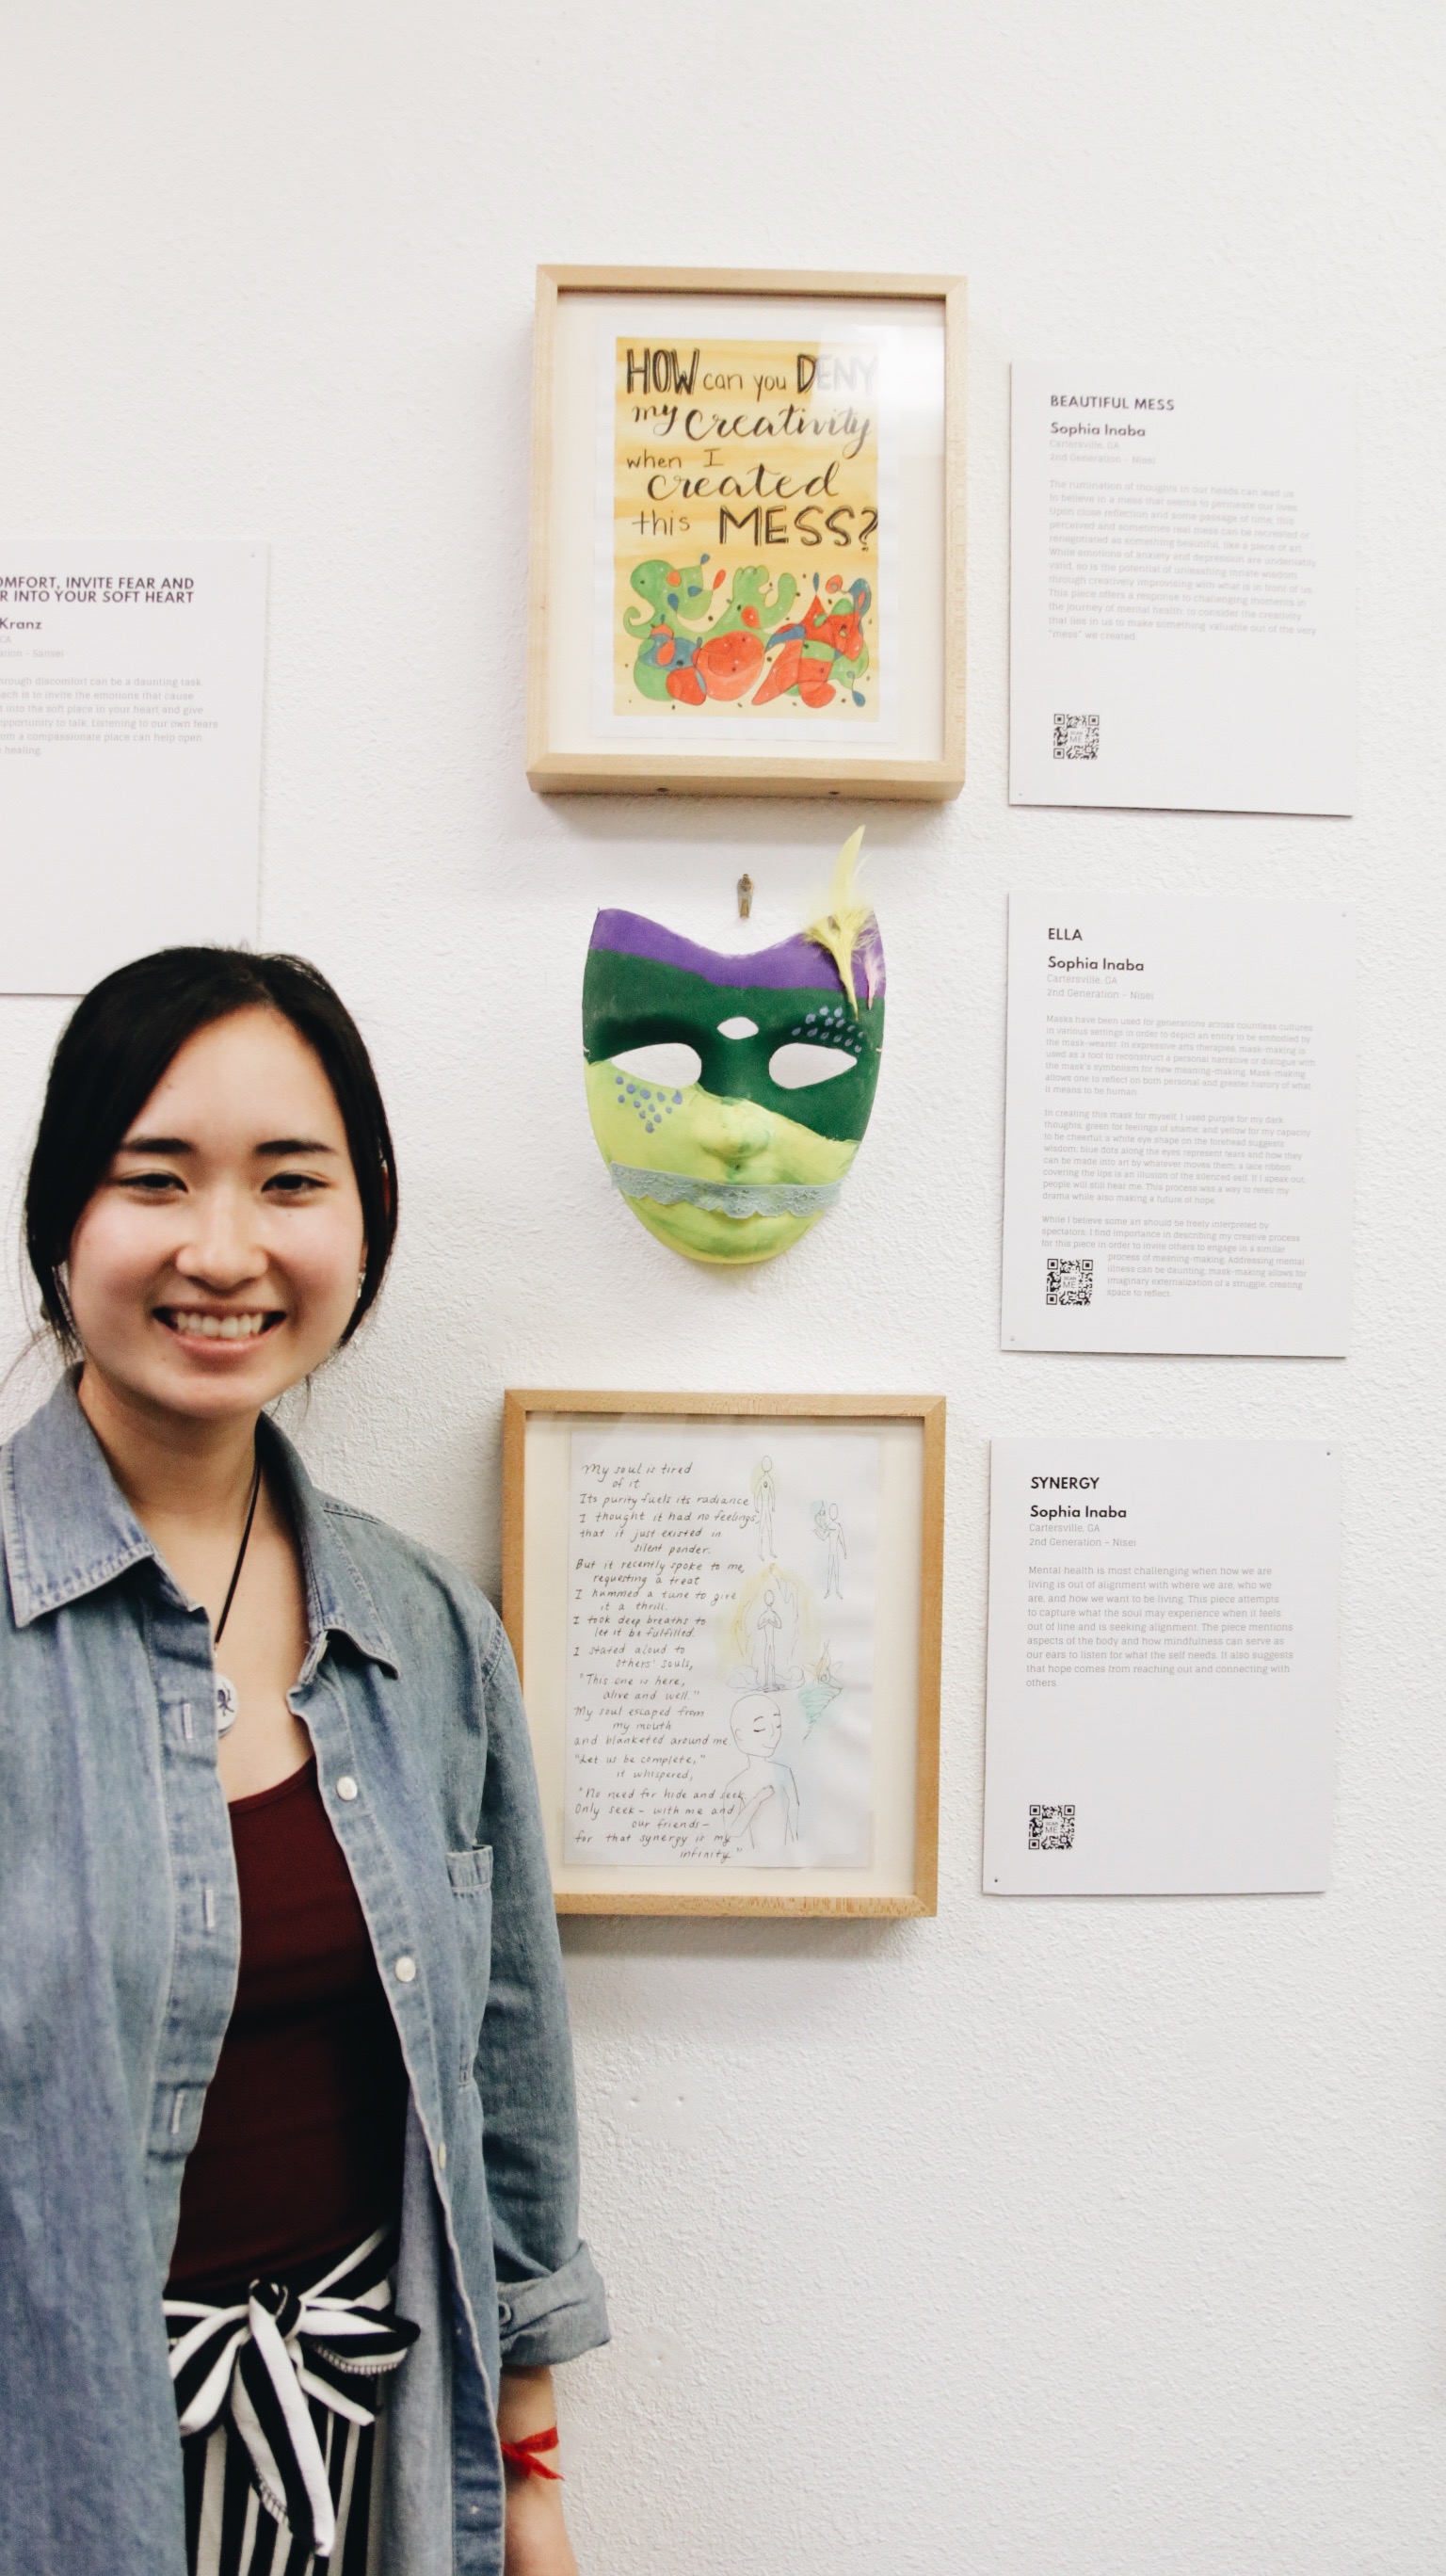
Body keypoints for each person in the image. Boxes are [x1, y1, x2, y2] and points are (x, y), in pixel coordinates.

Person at [0, 947, 607, 2576]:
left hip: (369, 2475)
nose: (223, 1249)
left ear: (366, 1221)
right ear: (64, 1218)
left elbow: (508, 2094)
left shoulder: (423, 1632)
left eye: (289, 1182)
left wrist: (532, 2482)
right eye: (155, 1179)